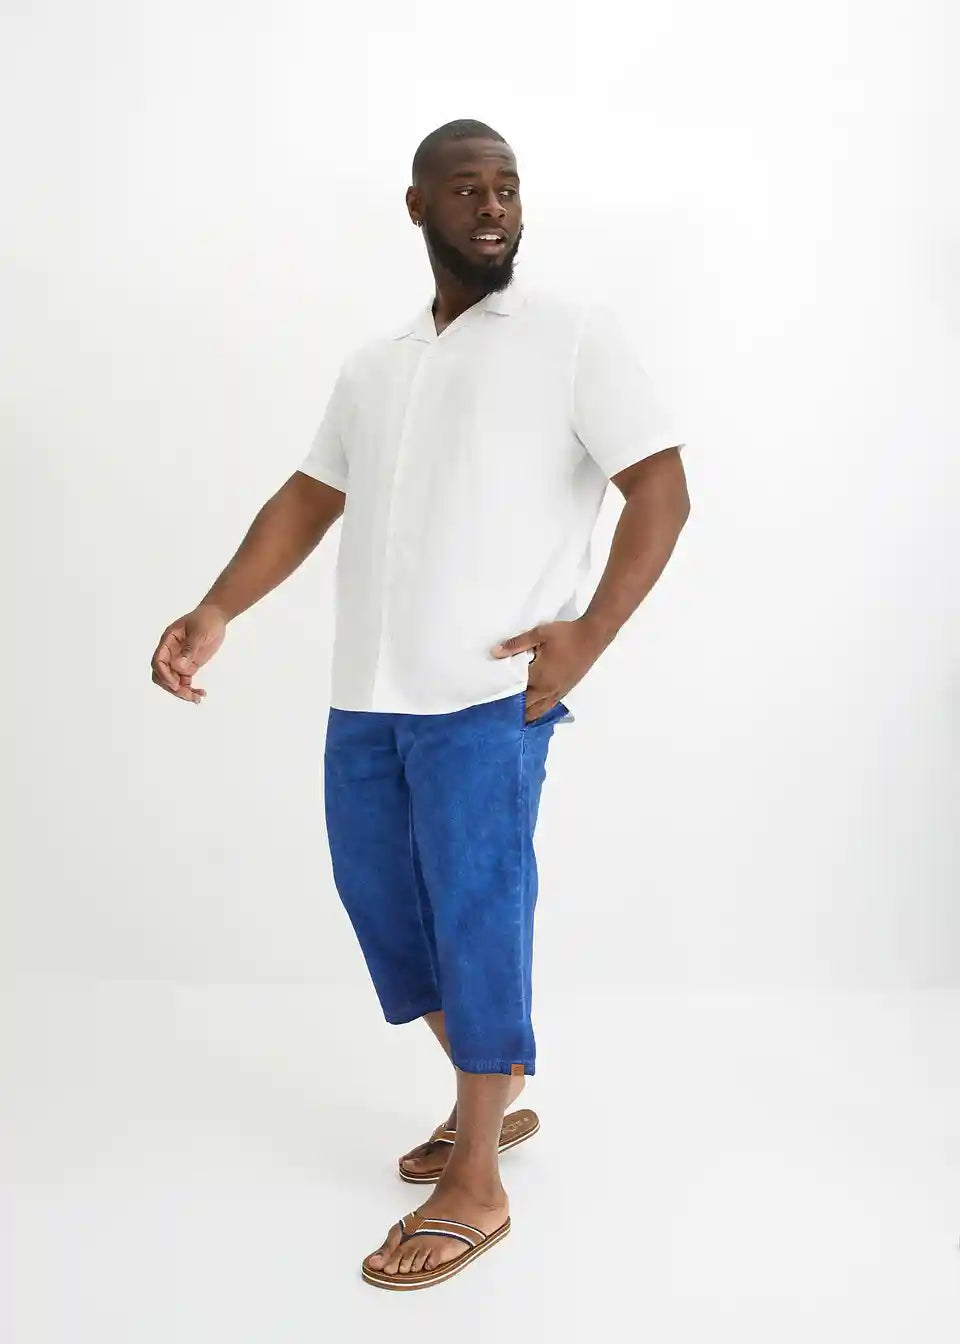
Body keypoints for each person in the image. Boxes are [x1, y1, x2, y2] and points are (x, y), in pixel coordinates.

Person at [150, 118, 690, 1290]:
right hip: (368, 696)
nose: (493, 207)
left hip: (489, 696)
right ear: (418, 207)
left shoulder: (572, 334)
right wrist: (217, 608)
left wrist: (590, 634)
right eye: (466, 189)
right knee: (385, 911)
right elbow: (309, 497)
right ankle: (494, 1080)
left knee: (480, 917)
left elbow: (661, 487)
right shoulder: (377, 363)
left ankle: (479, 1178)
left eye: (508, 189)